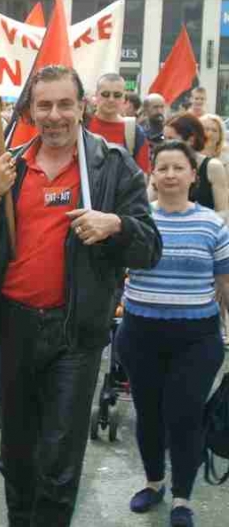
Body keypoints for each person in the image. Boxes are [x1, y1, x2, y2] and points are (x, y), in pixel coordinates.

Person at [0, 64, 161, 526]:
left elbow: (149, 246)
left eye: (64, 104)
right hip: (13, 327)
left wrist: (117, 226)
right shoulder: (8, 164)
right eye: (44, 105)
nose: (55, 115)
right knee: (15, 453)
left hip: (75, 334)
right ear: (31, 110)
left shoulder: (111, 166)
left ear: (82, 107)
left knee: (58, 461)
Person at [117, 140, 227, 527]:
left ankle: (182, 498)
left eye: (178, 168)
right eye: (162, 168)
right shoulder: (139, 221)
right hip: (140, 333)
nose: (169, 175)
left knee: (184, 415)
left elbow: (225, 286)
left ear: (193, 176)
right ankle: (153, 483)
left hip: (196, 340)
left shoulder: (212, 224)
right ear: (152, 175)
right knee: (147, 414)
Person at [164, 113, 229, 218]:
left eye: (171, 139)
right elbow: (148, 203)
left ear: (191, 140)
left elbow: (224, 212)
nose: (165, 144)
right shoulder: (161, 165)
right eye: (164, 138)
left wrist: (196, 224)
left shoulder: (213, 167)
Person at [86, 73, 151, 174]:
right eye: (105, 94)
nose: (111, 99)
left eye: (117, 95)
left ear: (124, 98)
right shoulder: (82, 126)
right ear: (96, 96)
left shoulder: (135, 132)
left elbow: (142, 175)